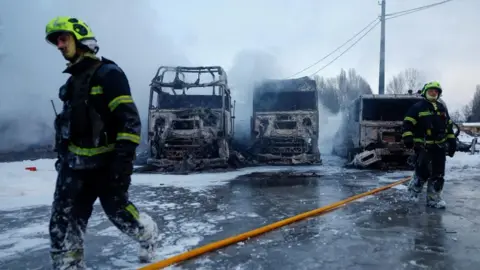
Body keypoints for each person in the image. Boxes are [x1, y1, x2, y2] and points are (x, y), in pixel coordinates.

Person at [45, 16, 159, 269]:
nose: (60, 46)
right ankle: (69, 265)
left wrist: (121, 165)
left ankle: (148, 235)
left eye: (63, 39)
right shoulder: (73, 81)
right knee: (64, 220)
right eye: (57, 42)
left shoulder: (109, 75)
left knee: (119, 213)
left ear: (80, 38)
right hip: (73, 165)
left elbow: (129, 123)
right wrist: (63, 157)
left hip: (105, 164)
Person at [402, 81, 456, 209]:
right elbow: (407, 124)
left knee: (438, 174)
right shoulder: (417, 107)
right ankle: (413, 193)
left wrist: (452, 141)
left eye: (436, 91)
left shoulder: (442, 108)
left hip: (439, 147)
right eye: (431, 91)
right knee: (422, 173)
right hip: (424, 147)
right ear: (425, 92)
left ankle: (434, 199)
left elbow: (448, 127)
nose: (433, 93)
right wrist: (408, 138)